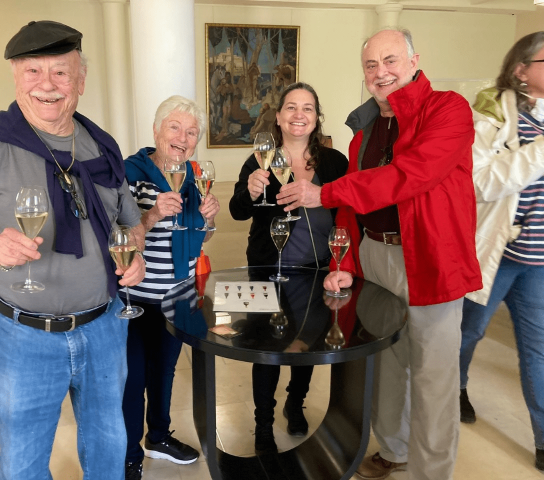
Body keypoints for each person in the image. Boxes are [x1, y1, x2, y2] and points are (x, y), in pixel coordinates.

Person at [0, 21, 146, 480]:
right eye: (33, 71)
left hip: (105, 327)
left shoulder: (100, 143)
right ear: (15, 76)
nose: (47, 85)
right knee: (24, 460)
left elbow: (130, 223)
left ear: (81, 81)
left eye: (61, 73)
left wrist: (137, 254)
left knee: (110, 445)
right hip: (22, 336)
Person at [276, 29, 482, 479]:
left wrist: (323, 192)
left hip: (430, 260)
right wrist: (345, 263)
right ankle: (395, 448)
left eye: (390, 61)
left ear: (414, 61)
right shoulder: (365, 129)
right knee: (385, 365)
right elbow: (353, 207)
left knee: (433, 378)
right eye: (371, 65)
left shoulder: (448, 110)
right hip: (375, 255)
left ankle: (432, 472)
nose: (380, 72)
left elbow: (410, 174)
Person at [229, 82, 347, 455]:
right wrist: (248, 190)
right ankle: (263, 424)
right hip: (266, 269)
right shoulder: (259, 160)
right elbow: (237, 210)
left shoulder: (334, 162)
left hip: (317, 272)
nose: (299, 114)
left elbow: (348, 209)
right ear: (278, 117)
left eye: (308, 108)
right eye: (291, 108)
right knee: (266, 351)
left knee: (305, 345)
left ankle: (296, 405)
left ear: (316, 118)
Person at [121, 95, 220, 480]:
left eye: (191, 132)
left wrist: (209, 221)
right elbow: (120, 241)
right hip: (140, 296)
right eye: (175, 128)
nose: (182, 138)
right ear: (156, 130)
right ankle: (130, 456)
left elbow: (201, 238)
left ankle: (158, 436)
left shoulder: (195, 174)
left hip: (179, 294)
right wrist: (152, 213)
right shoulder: (129, 173)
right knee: (134, 378)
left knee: (165, 370)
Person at [459, 32, 544, 473]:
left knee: (537, 351)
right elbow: (481, 183)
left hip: (539, 264)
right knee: (468, 334)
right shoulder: (492, 112)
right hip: (498, 254)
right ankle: (455, 388)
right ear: (521, 69)